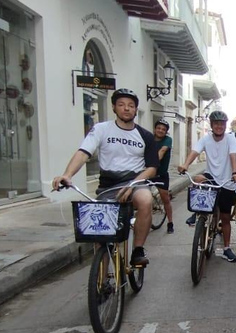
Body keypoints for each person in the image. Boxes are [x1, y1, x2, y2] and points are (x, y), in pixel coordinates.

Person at [52, 88, 157, 267]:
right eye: (122, 105)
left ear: (135, 110)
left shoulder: (145, 136)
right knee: (101, 236)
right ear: (114, 107)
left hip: (135, 181)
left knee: (146, 200)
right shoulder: (101, 129)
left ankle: (138, 250)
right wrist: (67, 174)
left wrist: (133, 184)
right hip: (108, 185)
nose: (126, 108)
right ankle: (102, 278)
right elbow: (84, 153)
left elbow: (152, 168)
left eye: (131, 106)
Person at [178, 110, 236, 263]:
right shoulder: (206, 139)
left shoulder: (230, 138)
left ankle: (226, 248)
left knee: (225, 218)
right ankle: (198, 211)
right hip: (211, 178)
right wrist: (185, 165)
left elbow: (233, 155)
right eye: (216, 123)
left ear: (225, 126)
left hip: (227, 181)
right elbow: (195, 151)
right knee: (198, 178)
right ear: (211, 125)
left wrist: (235, 172)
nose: (219, 126)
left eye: (222, 124)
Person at [153, 119, 175, 234]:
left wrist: (152, 162)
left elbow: (162, 151)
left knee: (165, 199)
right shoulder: (149, 139)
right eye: (159, 128)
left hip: (161, 174)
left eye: (163, 129)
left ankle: (170, 222)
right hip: (147, 173)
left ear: (166, 132)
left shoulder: (168, 140)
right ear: (155, 129)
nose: (160, 130)